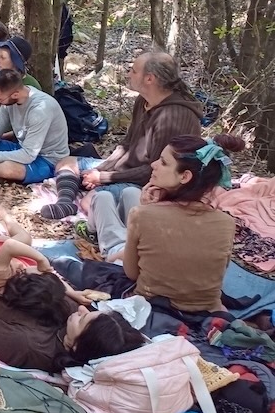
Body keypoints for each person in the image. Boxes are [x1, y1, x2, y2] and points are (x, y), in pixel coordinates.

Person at [60, 134, 243, 313]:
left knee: (103, 199)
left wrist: (146, 215)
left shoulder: (143, 215)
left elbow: (131, 272)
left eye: (163, 162)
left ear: (184, 176)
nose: (154, 164)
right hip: (204, 305)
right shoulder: (227, 223)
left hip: (152, 301)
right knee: (130, 193)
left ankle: (97, 233)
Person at [40, 51, 203, 220]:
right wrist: (99, 170)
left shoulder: (172, 116)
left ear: (149, 79)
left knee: (92, 201)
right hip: (130, 169)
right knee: (67, 163)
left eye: (133, 70)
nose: (128, 74)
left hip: (154, 182)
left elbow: (154, 171)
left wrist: (104, 178)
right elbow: (126, 145)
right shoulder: (143, 100)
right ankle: (66, 203)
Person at [0, 272, 144, 372]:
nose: (83, 309)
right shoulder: (71, 317)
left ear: (74, 346)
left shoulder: (26, 343)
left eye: (84, 318)